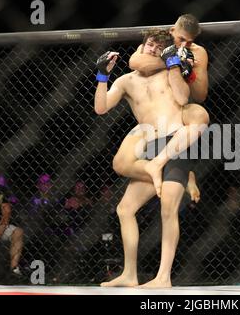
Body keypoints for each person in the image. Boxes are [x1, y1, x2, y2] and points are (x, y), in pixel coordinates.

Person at [95, 29, 199, 288]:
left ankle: (163, 278)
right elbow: (101, 108)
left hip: (175, 142)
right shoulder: (127, 80)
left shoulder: (168, 71)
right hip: (149, 145)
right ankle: (130, 274)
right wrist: (102, 76)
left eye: (157, 47)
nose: (152, 49)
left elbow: (184, 97)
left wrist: (174, 65)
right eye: (149, 44)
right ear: (142, 47)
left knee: (168, 209)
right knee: (125, 209)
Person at [111, 14, 210, 197]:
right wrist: (172, 61)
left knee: (200, 114)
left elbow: (201, 94)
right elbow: (135, 62)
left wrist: (190, 74)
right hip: (152, 116)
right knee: (120, 164)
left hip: (180, 110)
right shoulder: (154, 44)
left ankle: (175, 174)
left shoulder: (197, 52)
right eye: (180, 39)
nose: (183, 45)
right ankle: (181, 176)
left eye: (188, 42)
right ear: (172, 30)